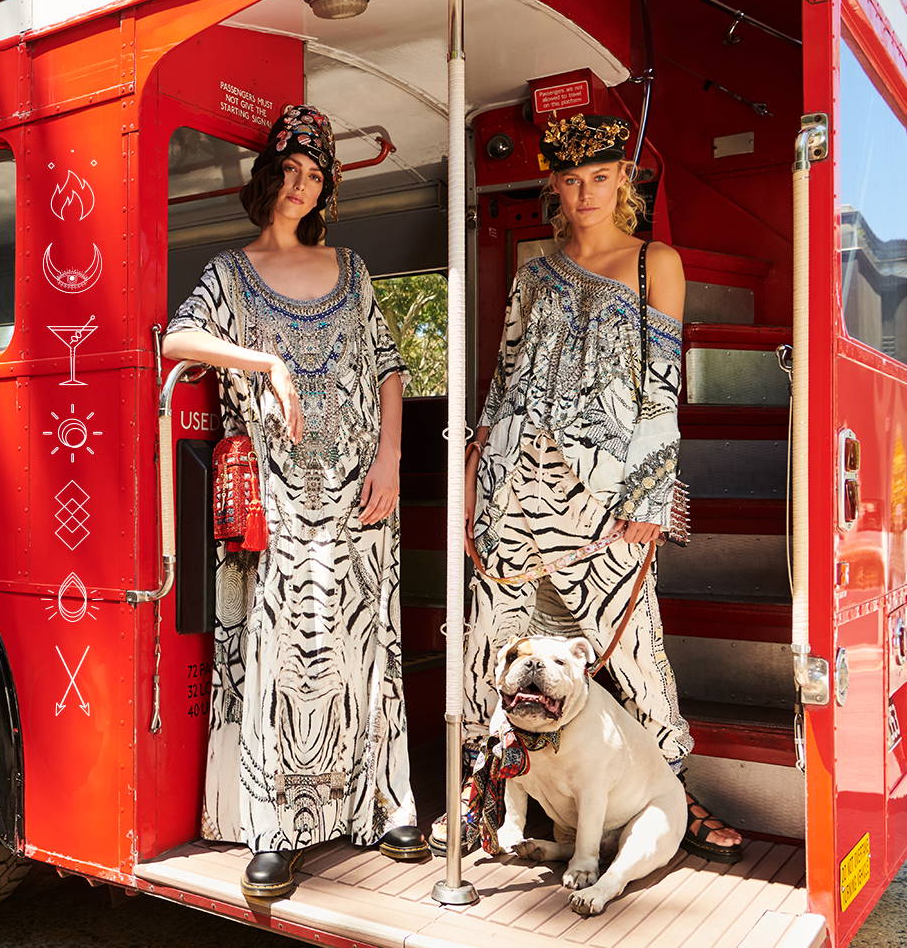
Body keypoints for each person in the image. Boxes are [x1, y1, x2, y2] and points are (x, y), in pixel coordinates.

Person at [436, 112, 742, 863]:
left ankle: (672, 788)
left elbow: (660, 390)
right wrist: (475, 470)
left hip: (604, 495)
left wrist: (649, 493)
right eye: (570, 180)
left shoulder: (653, 263)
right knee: (495, 644)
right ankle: (480, 796)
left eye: (599, 177)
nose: (585, 192)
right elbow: (503, 378)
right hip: (513, 481)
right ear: (554, 187)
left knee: (632, 645)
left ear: (622, 183)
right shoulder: (532, 271)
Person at [162, 104, 428, 900]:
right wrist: (262, 361)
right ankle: (272, 832)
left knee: (367, 647)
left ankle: (386, 803)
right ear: (267, 177)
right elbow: (177, 339)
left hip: (359, 490)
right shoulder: (228, 273)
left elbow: (388, 368)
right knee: (280, 654)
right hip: (276, 493)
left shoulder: (350, 267)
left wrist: (390, 456)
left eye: (315, 176)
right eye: (290, 171)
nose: (300, 187)